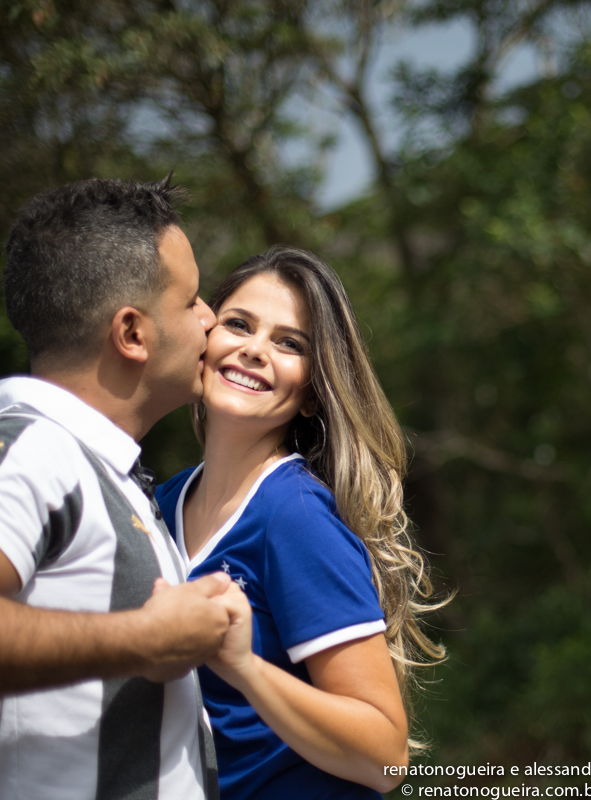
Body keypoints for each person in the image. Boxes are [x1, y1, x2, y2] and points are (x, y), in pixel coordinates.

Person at [0, 176, 246, 800]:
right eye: (192, 300)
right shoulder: (30, 451)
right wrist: (145, 640)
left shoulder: (104, 474)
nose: (211, 318)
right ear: (132, 334)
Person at [155, 246, 445, 799]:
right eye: (238, 324)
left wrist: (245, 667)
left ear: (312, 394)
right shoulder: (161, 505)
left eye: (290, 343)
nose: (255, 350)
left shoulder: (296, 516)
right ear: (204, 339)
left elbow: (386, 756)